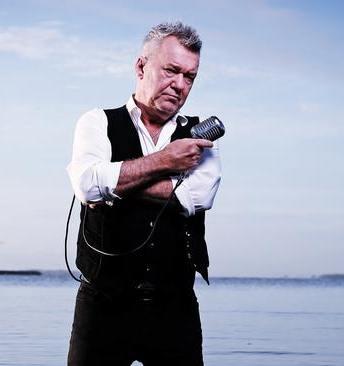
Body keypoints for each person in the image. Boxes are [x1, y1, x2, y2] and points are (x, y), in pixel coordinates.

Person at [66, 21, 221, 365]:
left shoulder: (201, 136)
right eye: (171, 70)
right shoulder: (96, 122)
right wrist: (166, 161)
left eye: (189, 76)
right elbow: (86, 183)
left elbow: (197, 198)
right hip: (102, 306)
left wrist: (115, 184)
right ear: (141, 66)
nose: (179, 85)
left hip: (175, 309)